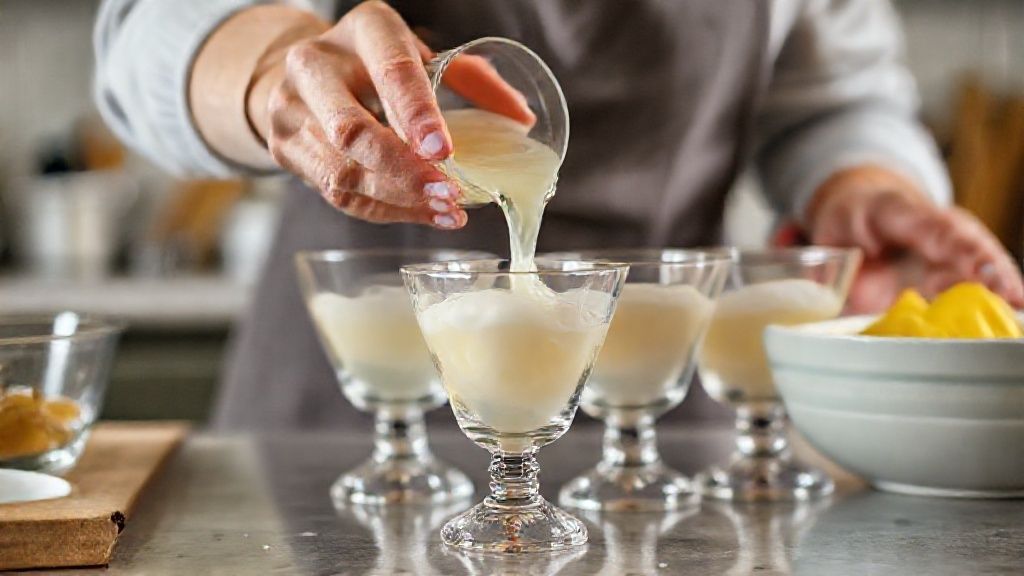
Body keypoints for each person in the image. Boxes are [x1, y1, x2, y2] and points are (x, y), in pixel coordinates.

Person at [94, 0, 1024, 429]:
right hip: (352, 412)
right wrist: (272, 72)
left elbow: (832, 95)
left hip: (655, 409)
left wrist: (865, 186)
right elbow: (147, 31)